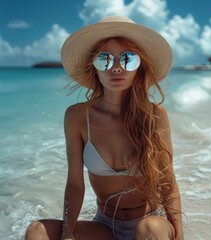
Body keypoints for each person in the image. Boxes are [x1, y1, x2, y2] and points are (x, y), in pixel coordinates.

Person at [25, 16, 183, 240]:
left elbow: (168, 181)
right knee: (37, 231)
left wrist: (179, 234)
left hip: (149, 224)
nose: (116, 68)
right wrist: (68, 234)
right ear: (94, 68)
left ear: (139, 67)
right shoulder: (77, 117)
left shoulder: (154, 116)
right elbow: (75, 184)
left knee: (151, 230)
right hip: (105, 227)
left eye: (127, 59)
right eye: (104, 59)